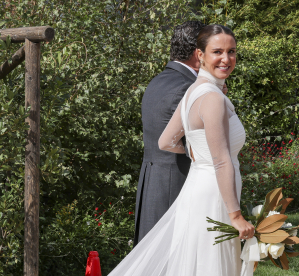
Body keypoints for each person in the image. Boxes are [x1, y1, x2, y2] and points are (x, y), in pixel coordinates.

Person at [109, 24, 254, 276]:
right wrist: (236, 216)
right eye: (217, 51)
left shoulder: (194, 91)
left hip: (198, 186)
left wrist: (197, 154)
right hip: (214, 193)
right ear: (200, 55)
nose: (226, 58)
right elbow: (221, 162)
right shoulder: (212, 98)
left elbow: (166, 141)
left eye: (231, 52)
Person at [134, 21, 207, 246]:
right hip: (177, 186)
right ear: (198, 53)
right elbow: (198, 146)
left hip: (153, 182)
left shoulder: (158, 81)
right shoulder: (188, 88)